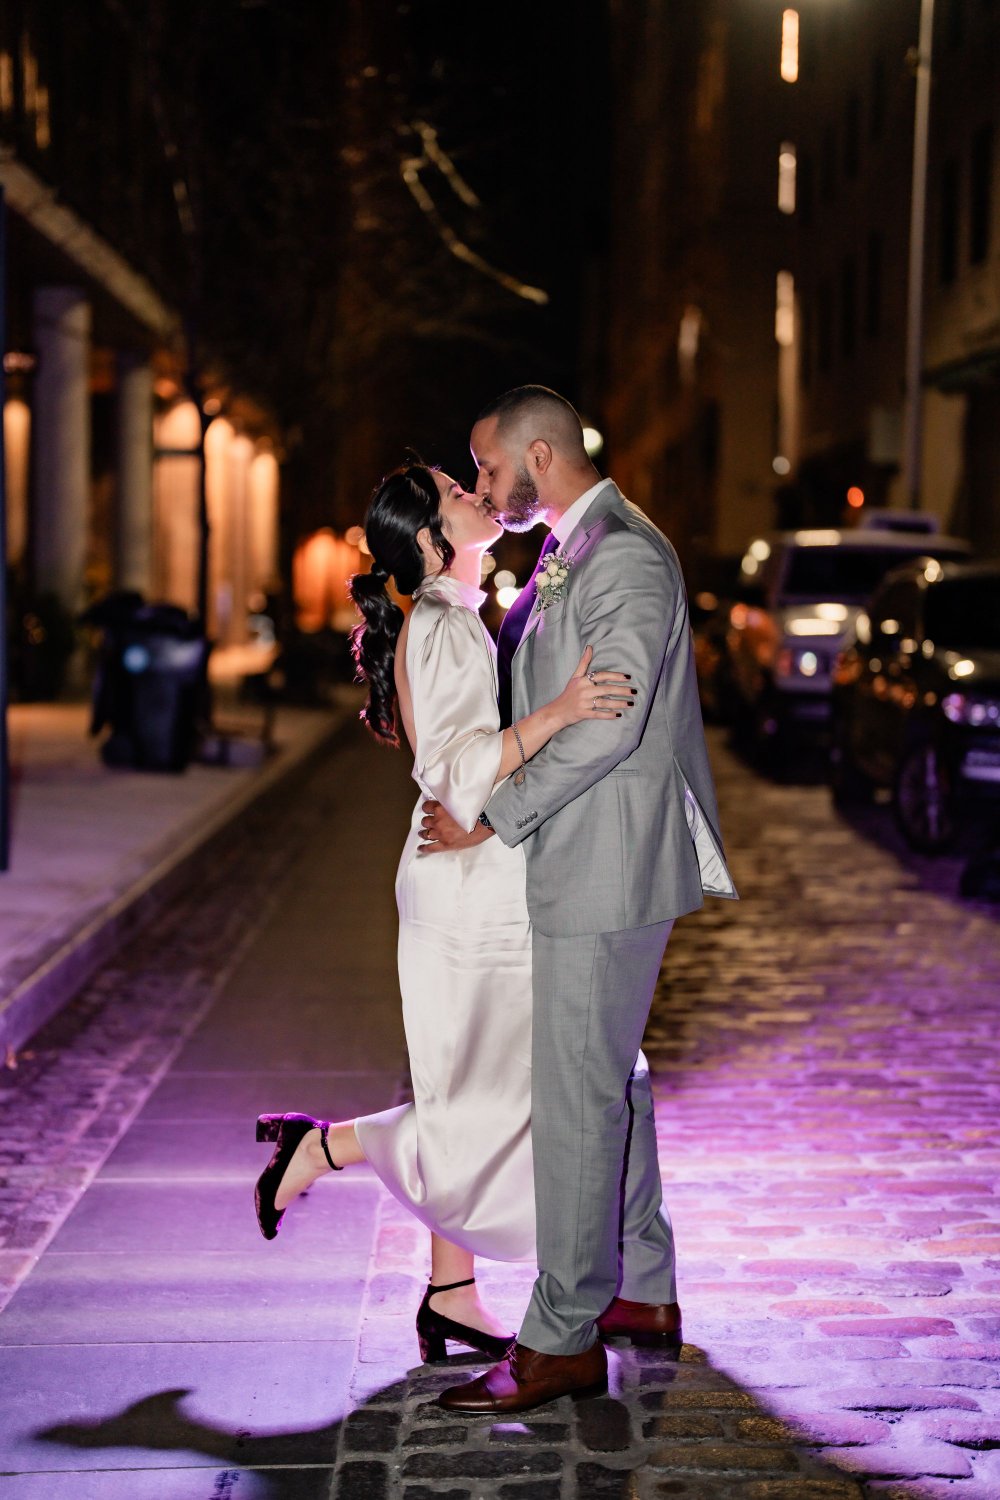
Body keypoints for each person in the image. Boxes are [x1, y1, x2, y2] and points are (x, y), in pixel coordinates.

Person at [253, 461, 635, 1366]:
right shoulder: (444, 622)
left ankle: (450, 1293)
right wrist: (563, 711)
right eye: (456, 492)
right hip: (469, 892)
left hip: (469, 881)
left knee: (472, 1091)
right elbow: (461, 772)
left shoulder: (448, 613)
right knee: (493, 1104)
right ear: (430, 537)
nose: (474, 492)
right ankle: (321, 1149)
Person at [418, 386, 738, 1415]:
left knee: (574, 1096)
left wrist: (494, 814)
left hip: (606, 861)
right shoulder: (573, 546)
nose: (482, 484)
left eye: (489, 465)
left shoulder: (624, 556)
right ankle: (640, 1285)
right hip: (584, 855)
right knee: (613, 1079)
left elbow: (611, 721)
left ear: (540, 455)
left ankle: (559, 1337)